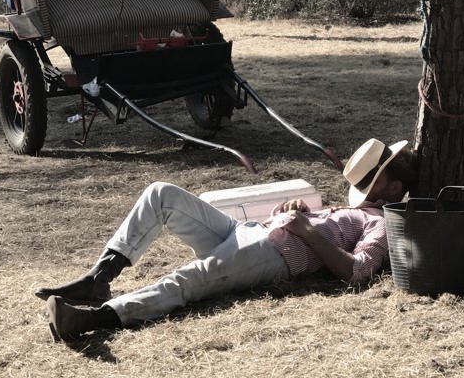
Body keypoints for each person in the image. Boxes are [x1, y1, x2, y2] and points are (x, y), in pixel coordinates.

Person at [37, 138, 417, 342]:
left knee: (190, 279)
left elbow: (358, 272)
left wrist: (308, 231)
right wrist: (296, 211)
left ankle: (94, 320)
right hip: (249, 231)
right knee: (161, 193)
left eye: (375, 178)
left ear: (395, 188)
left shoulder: (381, 223)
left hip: (272, 254)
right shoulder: (353, 209)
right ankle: (98, 280)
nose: (365, 186)